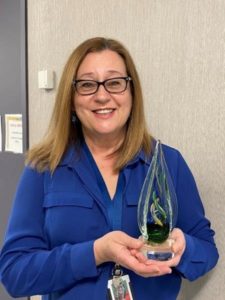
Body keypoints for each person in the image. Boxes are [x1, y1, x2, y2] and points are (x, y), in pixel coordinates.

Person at [0, 37, 219, 300]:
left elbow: (207, 251)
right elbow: (14, 273)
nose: (102, 95)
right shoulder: (44, 168)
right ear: (71, 99)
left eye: (115, 82)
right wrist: (95, 252)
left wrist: (185, 248)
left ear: (132, 93)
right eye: (87, 84)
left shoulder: (168, 163)